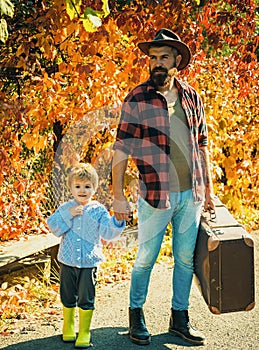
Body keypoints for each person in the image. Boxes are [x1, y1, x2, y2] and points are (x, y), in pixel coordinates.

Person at [112, 28, 215, 346]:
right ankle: (136, 314)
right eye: (153, 57)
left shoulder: (192, 97)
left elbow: (202, 145)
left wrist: (208, 191)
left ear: (176, 61)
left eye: (164, 57)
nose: (157, 62)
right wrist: (117, 195)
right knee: (146, 257)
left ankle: (179, 318)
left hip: (191, 195)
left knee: (185, 259)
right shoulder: (138, 97)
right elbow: (121, 148)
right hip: (155, 195)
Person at [47, 163, 125, 348]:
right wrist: (68, 215)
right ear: (71, 188)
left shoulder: (98, 210)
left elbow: (107, 233)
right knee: (67, 294)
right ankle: (68, 325)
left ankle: (84, 331)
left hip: (89, 262)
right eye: (78, 186)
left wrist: (117, 221)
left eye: (87, 186)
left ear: (94, 188)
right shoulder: (65, 208)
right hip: (68, 261)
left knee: (85, 296)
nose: (82, 190)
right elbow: (54, 227)